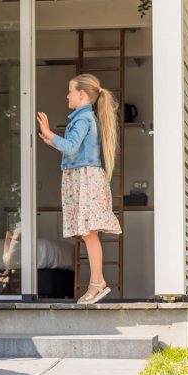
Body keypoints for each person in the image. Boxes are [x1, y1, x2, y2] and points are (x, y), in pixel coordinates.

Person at [35, 73, 122, 304]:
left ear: (81, 95)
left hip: (86, 178)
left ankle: (98, 282)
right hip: (82, 177)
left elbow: (71, 147)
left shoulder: (83, 119)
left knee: (89, 233)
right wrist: (51, 138)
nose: (67, 95)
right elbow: (72, 148)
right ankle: (97, 282)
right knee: (88, 233)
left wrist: (50, 133)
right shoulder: (83, 118)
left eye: (70, 91)